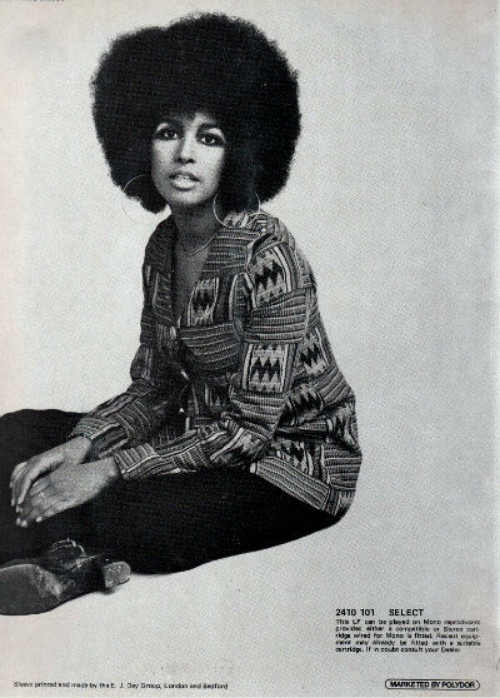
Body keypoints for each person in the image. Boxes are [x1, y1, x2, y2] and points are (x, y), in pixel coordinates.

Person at [0, 13, 362, 615]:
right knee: (18, 434)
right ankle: (57, 547)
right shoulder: (162, 248)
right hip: (198, 429)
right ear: (139, 141)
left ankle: (71, 561)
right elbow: (157, 387)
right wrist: (84, 445)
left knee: (130, 511)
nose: (185, 154)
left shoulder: (269, 256)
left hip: (289, 463)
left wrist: (108, 469)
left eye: (210, 137)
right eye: (169, 132)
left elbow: (248, 432)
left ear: (241, 150)